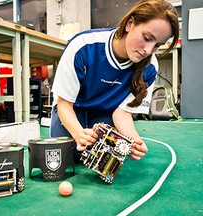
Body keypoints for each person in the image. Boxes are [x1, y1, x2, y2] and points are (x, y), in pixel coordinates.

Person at [50, 0, 179, 161]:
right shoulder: (82, 46)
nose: (148, 50)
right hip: (72, 109)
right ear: (130, 24)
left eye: (157, 45)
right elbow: (64, 104)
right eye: (147, 38)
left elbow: (123, 113)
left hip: (106, 115)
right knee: (67, 152)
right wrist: (78, 133)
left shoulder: (150, 67)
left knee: (107, 154)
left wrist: (134, 141)